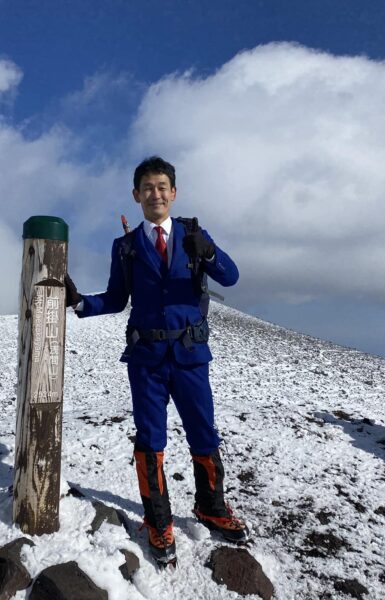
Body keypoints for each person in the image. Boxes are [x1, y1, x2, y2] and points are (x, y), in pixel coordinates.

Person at [64, 156, 249, 567]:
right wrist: (79, 303)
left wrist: (211, 251)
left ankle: (212, 508)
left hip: (190, 355)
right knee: (150, 440)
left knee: (203, 433)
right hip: (146, 359)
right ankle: (158, 522)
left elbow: (231, 277)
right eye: (147, 187)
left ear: (174, 193)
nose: (156, 194)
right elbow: (115, 299)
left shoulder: (193, 236)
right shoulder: (126, 248)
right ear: (136, 195)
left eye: (162, 186)